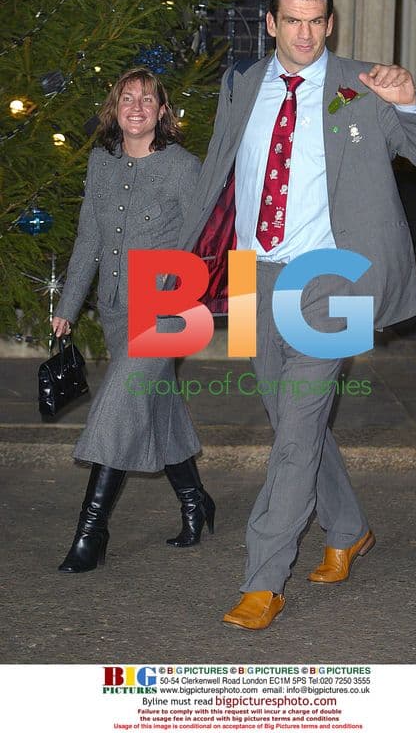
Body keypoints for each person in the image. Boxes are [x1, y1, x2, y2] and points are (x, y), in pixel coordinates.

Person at [176, 0, 416, 629]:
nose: (305, 35)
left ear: (330, 23)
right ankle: (349, 526)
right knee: (292, 421)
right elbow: (218, 170)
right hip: (253, 273)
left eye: (316, 22)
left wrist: (413, 100)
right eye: (292, 21)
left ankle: (264, 578)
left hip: (335, 275)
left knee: (296, 433)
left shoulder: (363, 84)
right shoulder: (241, 83)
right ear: (271, 23)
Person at [52, 67, 215, 573]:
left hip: (166, 313)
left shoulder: (183, 167)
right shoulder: (100, 163)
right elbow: (89, 241)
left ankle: (91, 532)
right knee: (155, 407)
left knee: (119, 405)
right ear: (115, 110)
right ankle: (196, 501)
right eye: (128, 98)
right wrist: (67, 307)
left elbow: (205, 243)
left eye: (148, 99)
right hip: (117, 310)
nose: (138, 106)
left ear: (162, 111)